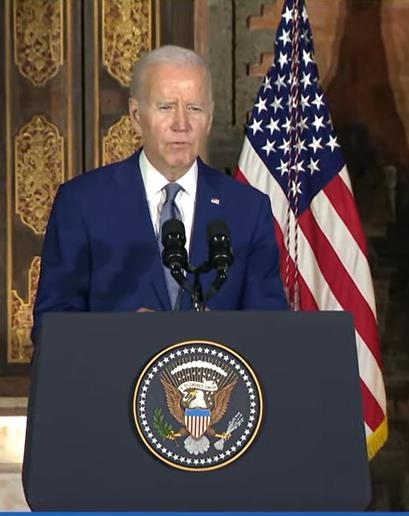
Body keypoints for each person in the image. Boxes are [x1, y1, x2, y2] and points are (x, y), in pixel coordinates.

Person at [31, 45, 287, 339]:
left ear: (210, 118)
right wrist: (121, 333)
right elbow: (50, 326)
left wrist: (219, 335)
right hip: (114, 382)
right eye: (166, 107)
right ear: (137, 115)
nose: (181, 124)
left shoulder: (248, 209)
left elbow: (269, 329)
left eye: (195, 108)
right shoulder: (82, 204)